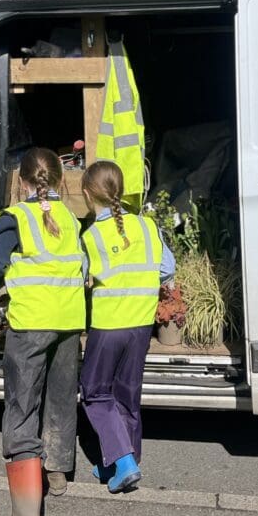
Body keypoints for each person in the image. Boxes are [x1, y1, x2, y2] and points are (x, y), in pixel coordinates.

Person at [0, 147, 86, 516]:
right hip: (69, 321)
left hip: (31, 324)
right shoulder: (71, 220)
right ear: (58, 181)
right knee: (60, 397)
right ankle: (56, 471)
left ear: (21, 182)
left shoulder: (16, 217)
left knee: (22, 409)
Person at [79, 161, 175, 493]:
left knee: (94, 392)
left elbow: (80, 277)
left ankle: (124, 461)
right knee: (127, 395)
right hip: (141, 324)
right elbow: (167, 268)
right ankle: (119, 465)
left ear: (89, 194)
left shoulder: (91, 235)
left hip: (109, 324)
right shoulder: (148, 226)